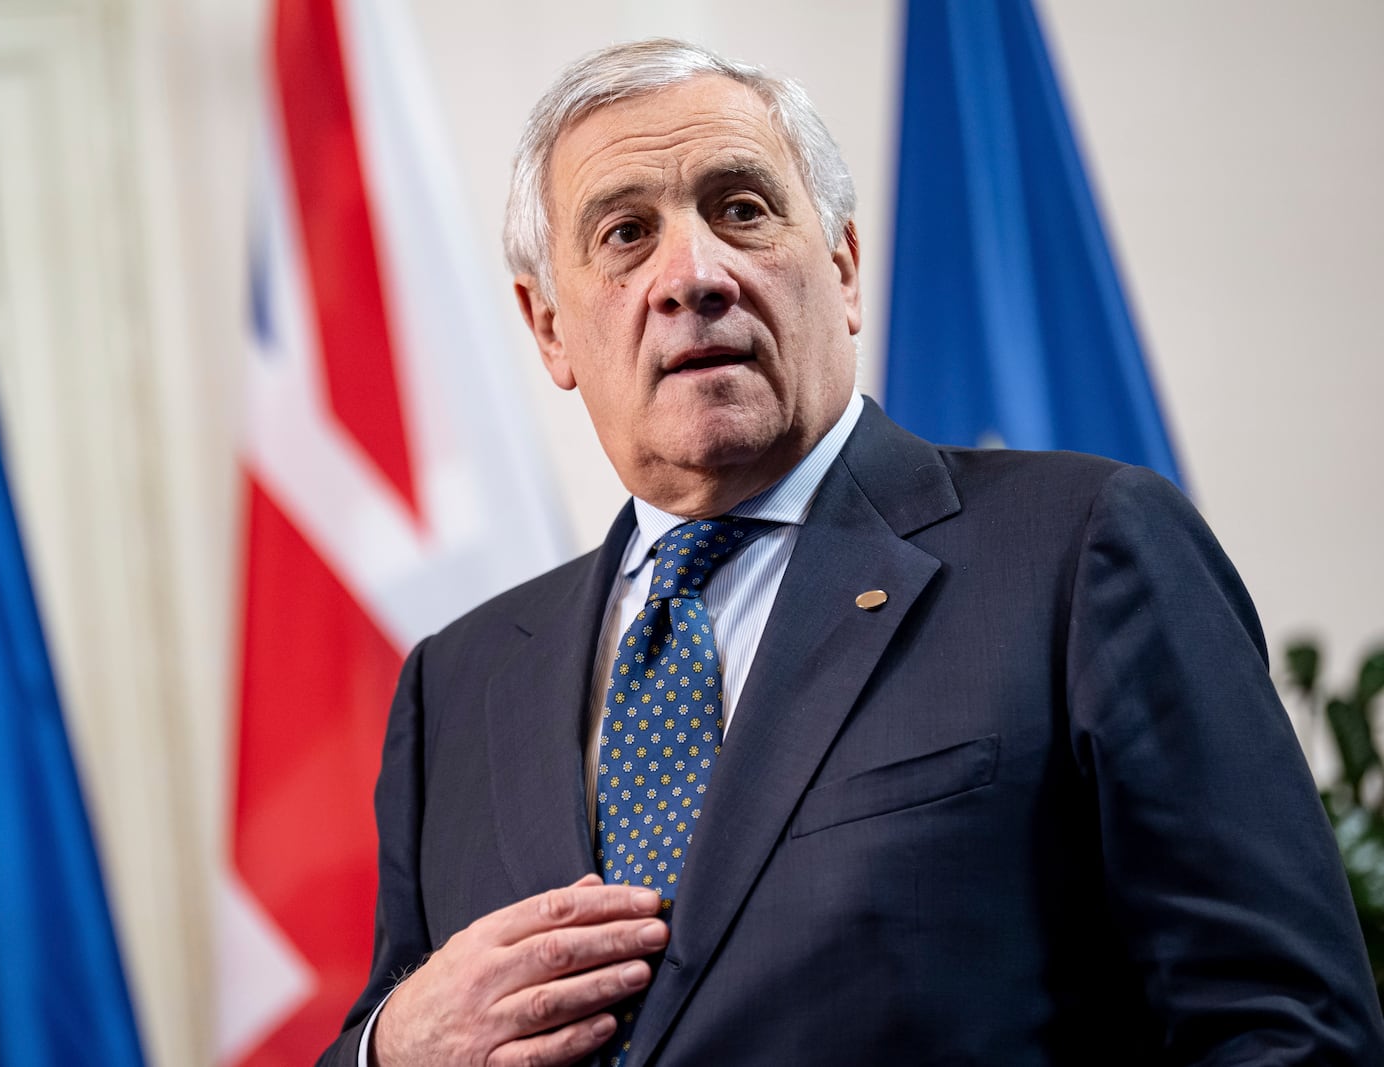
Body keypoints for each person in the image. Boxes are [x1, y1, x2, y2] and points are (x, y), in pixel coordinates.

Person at [317, 38, 1384, 1066]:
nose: (693, 274)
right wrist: (390, 1045)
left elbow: (1284, 1024)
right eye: (625, 234)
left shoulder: (1079, 550)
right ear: (547, 327)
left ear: (842, 268)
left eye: (740, 209)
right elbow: (390, 1021)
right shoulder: (455, 684)